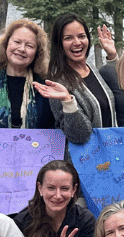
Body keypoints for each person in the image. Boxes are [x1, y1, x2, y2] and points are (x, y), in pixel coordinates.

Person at [32, 13, 116, 144]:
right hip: (84, 161)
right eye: (68, 38)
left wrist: (112, 56)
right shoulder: (57, 82)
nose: (77, 43)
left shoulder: (90, 68)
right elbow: (79, 136)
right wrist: (68, 102)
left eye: (81, 36)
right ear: (59, 44)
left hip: (110, 152)